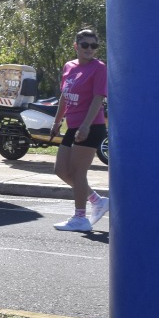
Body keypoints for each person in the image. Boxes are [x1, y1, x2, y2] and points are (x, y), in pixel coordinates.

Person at [51, 28, 109, 232]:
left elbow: (98, 98)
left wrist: (85, 125)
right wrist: (57, 122)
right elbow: (64, 97)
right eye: (85, 45)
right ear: (76, 46)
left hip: (91, 125)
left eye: (94, 46)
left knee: (78, 172)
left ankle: (80, 218)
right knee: (60, 170)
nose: (89, 49)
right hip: (73, 126)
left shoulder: (99, 68)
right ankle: (96, 200)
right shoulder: (69, 67)